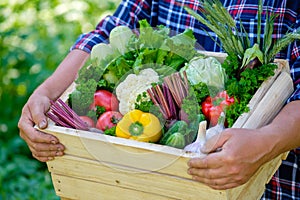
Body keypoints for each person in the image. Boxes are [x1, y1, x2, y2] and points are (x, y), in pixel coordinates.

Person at [18, 0, 300, 199]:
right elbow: (111, 33)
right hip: (143, 185)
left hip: (271, 185)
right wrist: (46, 93)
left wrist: (269, 141)